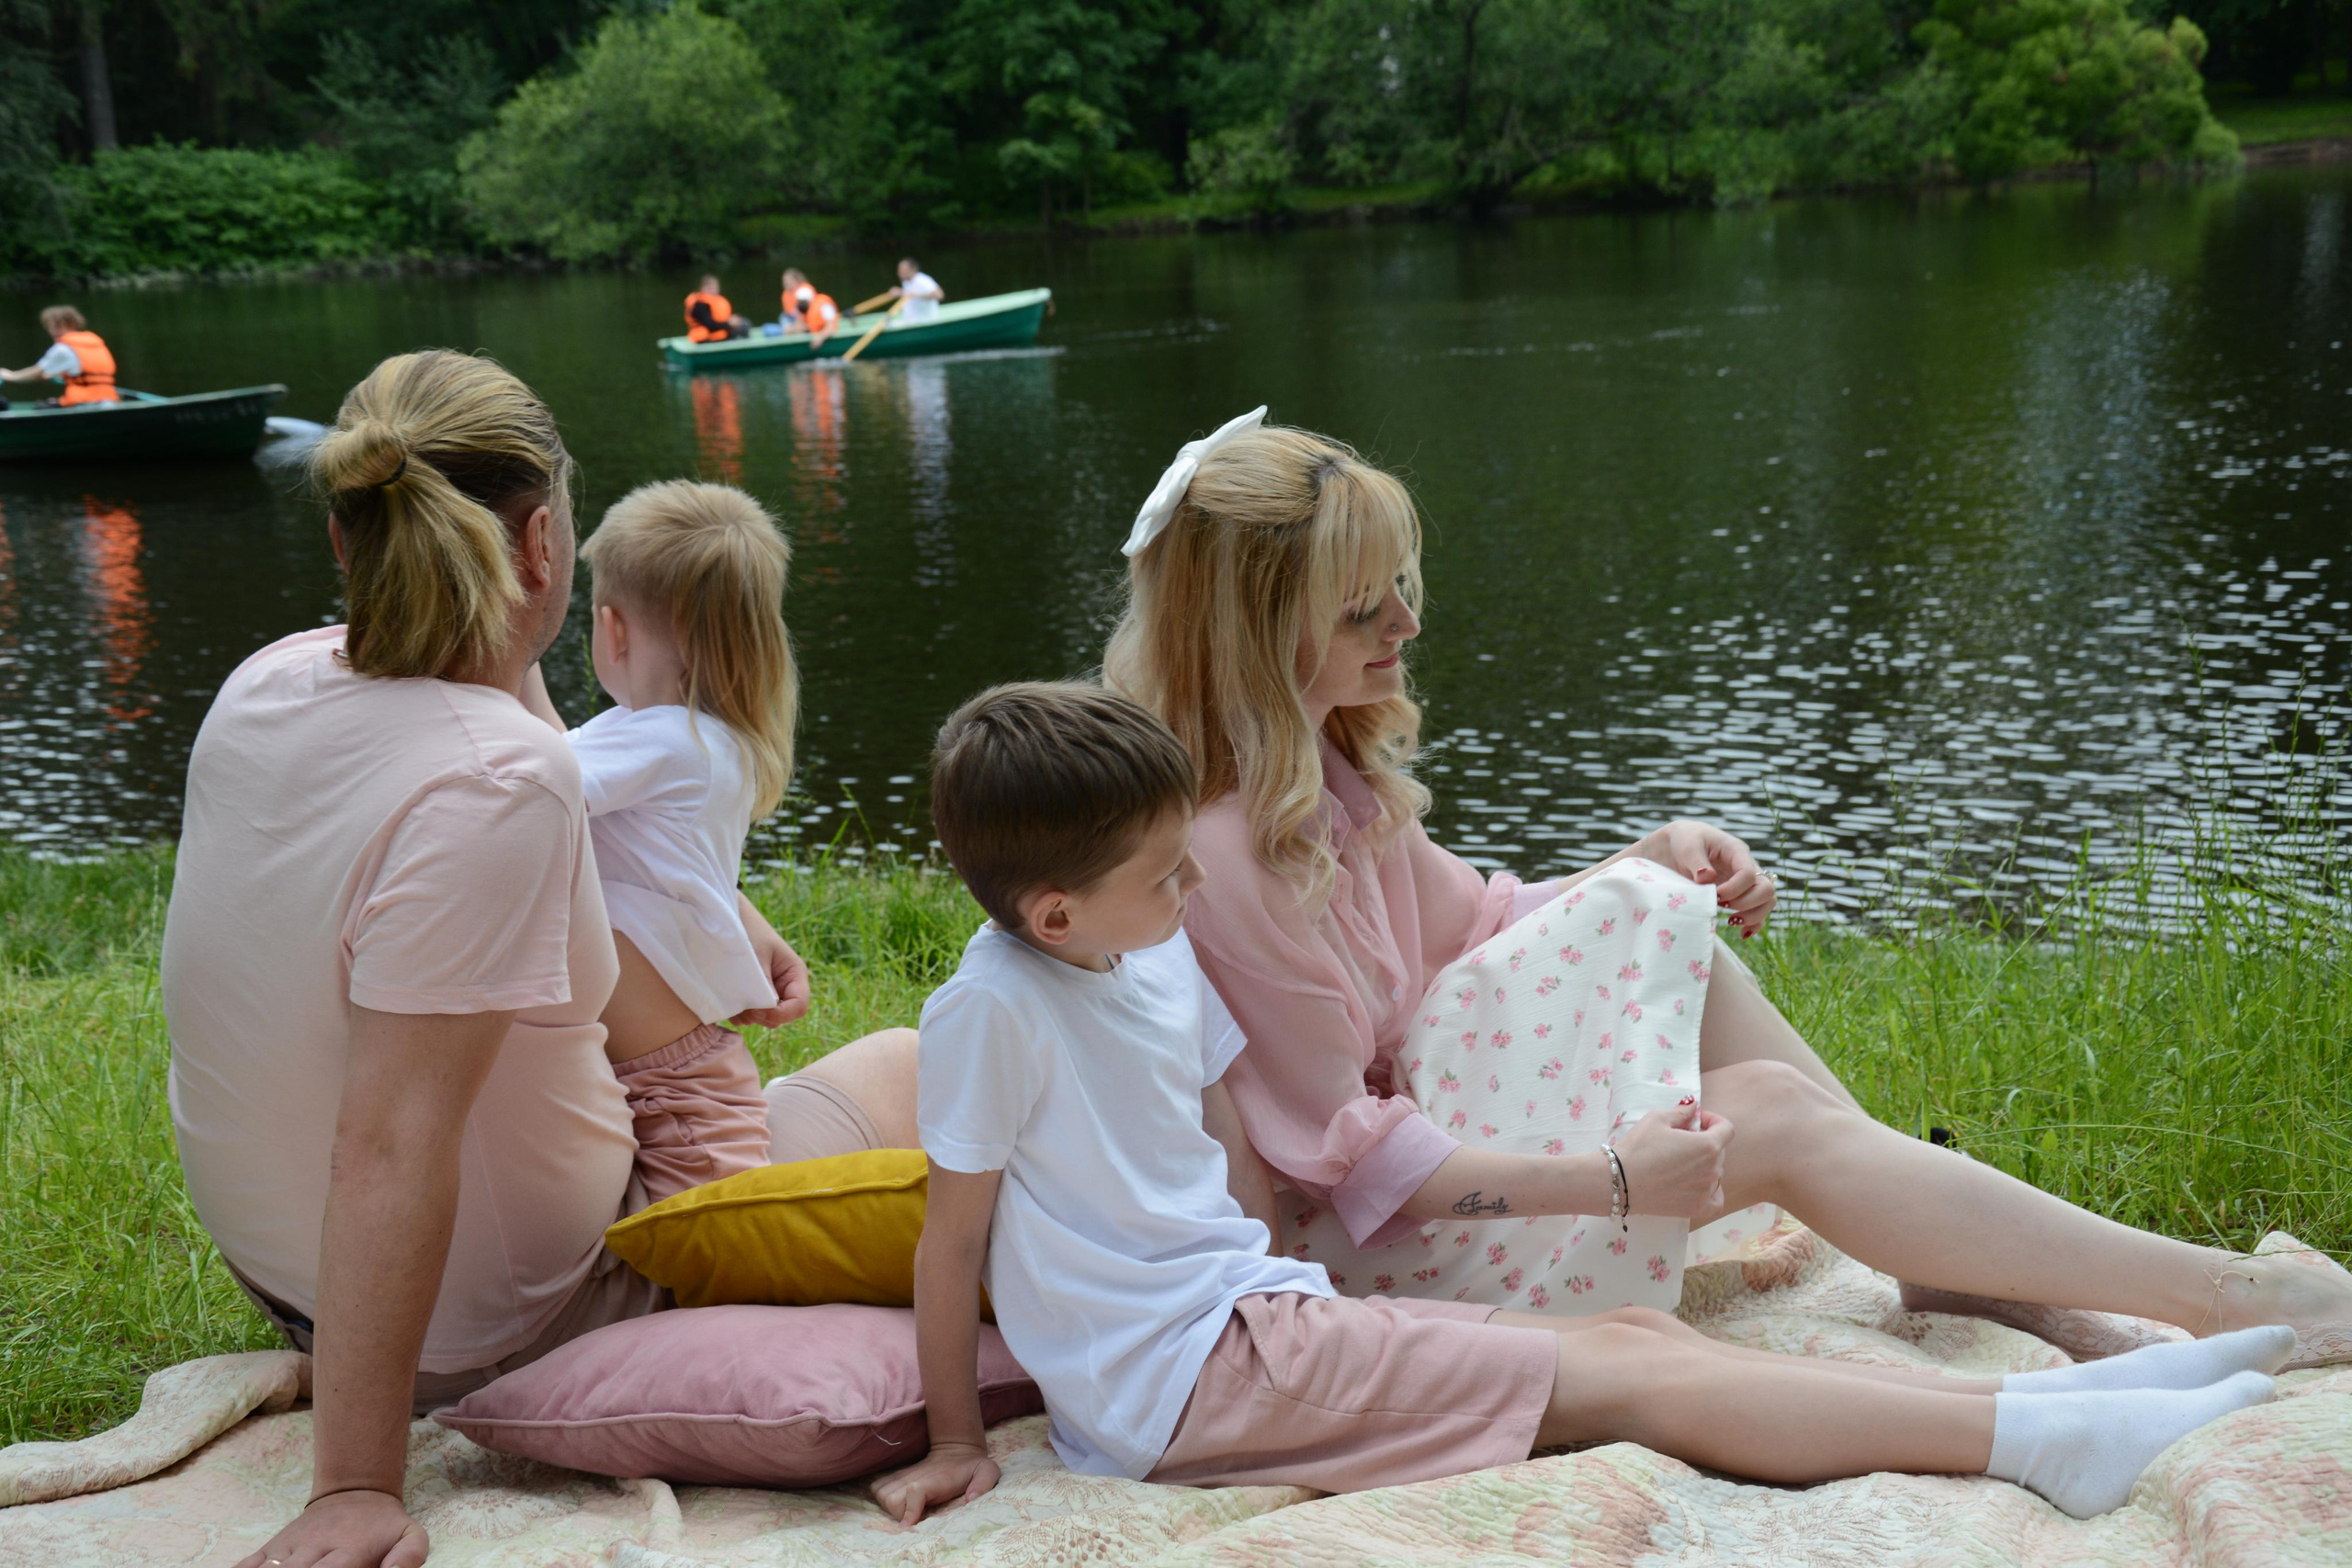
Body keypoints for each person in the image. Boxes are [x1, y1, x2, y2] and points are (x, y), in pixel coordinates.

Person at [873, 680, 2288, 1525]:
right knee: (1633, 1376)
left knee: (1618, 1325)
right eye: (1163, 875)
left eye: (1188, 862)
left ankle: (2089, 1389)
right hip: (1179, 1384)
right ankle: (2044, 1440)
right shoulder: (993, 1007)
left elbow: (1228, 1142)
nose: (1193, 891)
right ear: (1056, 908)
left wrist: (1294, 1275)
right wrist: (950, 1438)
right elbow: (954, 1240)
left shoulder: (1149, 946)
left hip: (1256, 1314)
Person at [1098, 409, 2352, 1352]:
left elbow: (1472, 927)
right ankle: (2218, 1296)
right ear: (1258, 632)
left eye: (1401, 590)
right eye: (1366, 606)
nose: (1407, 628)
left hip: (1415, 1156)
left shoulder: (1319, 768)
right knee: (1769, 1115)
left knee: (1657, 912)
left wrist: (1648, 860)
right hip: (1375, 1262)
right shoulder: (1217, 853)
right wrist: (1617, 1181)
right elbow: (1355, 1169)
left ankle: (1955, 1249)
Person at [161, 350, 911, 1568]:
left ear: (348, 543)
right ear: (548, 542)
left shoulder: (269, 679)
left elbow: (508, 728)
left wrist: (720, 906)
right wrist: (353, 1481)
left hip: (286, 1276)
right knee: (909, 1069)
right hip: (509, 1315)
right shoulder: (498, 781)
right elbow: (390, 1138)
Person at [525, 480, 805, 1192]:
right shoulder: (694, 738)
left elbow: (535, 784)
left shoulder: (667, 743)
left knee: (733, 1250)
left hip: (679, 1092)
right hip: (678, 1069)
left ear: (612, 629)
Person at [3, 304, 119, 406]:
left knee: (41, 407)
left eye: (57, 327)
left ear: (72, 325)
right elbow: (79, 372)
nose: (52, 331)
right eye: (50, 327)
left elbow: (35, 373)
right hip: (109, 399)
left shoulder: (62, 349)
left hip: (82, 402)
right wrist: (49, 376)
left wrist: (10, 376)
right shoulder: (96, 344)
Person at [781, 268, 840, 350]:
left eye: (804, 301)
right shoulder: (803, 309)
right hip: (814, 332)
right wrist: (792, 329)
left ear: (810, 300)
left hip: (824, 333)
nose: (802, 304)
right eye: (800, 301)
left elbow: (831, 328)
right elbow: (803, 325)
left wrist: (820, 338)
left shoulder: (825, 306)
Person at [684, 276, 750, 343]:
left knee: (744, 322)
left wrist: (732, 321)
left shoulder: (713, 301)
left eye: (716, 288)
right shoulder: (700, 305)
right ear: (703, 288)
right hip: (705, 338)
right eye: (712, 288)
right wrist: (729, 324)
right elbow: (710, 325)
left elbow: (719, 319)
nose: (715, 290)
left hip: (718, 334)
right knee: (744, 326)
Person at [881, 257, 944, 323]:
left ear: (913, 269)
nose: (900, 272)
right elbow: (908, 294)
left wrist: (914, 295)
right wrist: (900, 292)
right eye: (899, 269)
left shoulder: (922, 280)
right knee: (887, 321)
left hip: (926, 320)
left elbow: (939, 295)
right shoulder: (906, 282)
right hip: (912, 321)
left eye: (903, 269)